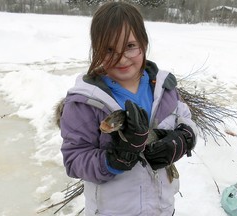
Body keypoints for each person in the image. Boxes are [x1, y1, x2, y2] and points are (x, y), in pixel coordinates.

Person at [60, 2, 197, 216]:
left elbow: (184, 116)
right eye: (109, 49)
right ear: (96, 49)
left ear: (143, 43)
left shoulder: (163, 86)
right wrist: (114, 160)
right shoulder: (84, 103)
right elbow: (74, 160)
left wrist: (185, 137)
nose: (121, 58)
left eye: (130, 46)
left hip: (162, 208)